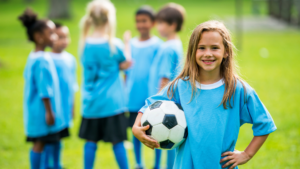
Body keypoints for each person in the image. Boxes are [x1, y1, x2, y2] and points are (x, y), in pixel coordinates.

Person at [133, 20, 277, 169]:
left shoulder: (237, 89)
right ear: (193, 51)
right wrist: (136, 127)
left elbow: (264, 123)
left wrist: (246, 155)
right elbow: (150, 105)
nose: (208, 54)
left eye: (214, 48)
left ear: (226, 51)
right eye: (201, 48)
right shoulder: (180, 86)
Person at [78, 0, 131, 169]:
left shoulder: (84, 44)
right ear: (109, 20)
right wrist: (127, 42)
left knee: (90, 142)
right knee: (118, 142)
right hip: (112, 104)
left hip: (91, 103)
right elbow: (126, 63)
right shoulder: (114, 44)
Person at [19, 8, 68, 169]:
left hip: (36, 110)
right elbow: (44, 90)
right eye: (51, 33)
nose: (55, 36)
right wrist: (49, 111)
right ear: (39, 37)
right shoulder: (42, 60)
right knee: (40, 143)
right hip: (42, 111)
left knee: (45, 142)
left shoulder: (33, 56)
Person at [146, 3, 185, 169]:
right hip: (171, 100)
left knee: (165, 134)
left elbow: (165, 78)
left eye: (161, 23)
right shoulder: (176, 44)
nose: (158, 27)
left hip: (165, 101)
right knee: (167, 135)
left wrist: (158, 101)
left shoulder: (168, 47)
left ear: (173, 25)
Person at [124, 6, 163, 169]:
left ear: (153, 23)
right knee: (137, 130)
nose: (141, 25)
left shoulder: (158, 45)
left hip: (152, 97)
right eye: (138, 21)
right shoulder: (130, 44)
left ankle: (156, 164)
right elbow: (126, 71)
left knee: (159, 131)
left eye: (144, 21)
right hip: (133, 97)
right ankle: (138, 163)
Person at [43, 22, 78, 169]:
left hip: (65, 107)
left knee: (59, 138)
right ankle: (46, 165)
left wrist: (73, 107)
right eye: (59, 37)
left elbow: (73, 86)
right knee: (49, 140)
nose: (64, 40)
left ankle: (57, 164)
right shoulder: (47, 59)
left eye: (66, 37)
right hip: (52, 109)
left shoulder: (70, 59)